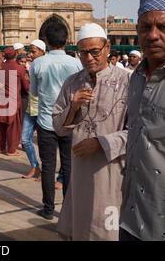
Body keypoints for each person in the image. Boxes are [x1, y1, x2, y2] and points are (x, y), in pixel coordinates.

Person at [120, 0, 165, 241]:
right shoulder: (137, 78)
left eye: (163, 27)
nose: (153, 35)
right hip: (132, 216)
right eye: (145, 27)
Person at [53, 23, 129, 240]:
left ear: (107, 48)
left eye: (94, 51)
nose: (89, 58)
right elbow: (58, 128)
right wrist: (73, 106)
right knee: (81, 226)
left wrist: (101, 143)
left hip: (111, 171)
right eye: (83, 52)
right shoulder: (72, 83)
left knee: (106, 229)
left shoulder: (127, 82)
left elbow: (138, 131)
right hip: (80, 173)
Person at [30, 22, 83, 221]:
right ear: (66, 40)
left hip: (46, 121)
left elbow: (35, 92)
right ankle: (68, 209)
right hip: (69, 121)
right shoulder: (75, 63)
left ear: (47, 41)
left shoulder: (38, 63)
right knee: (68, 165)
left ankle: (48, 209)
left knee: (48, 166)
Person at [0, 47, 29, 156]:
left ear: (4, 56)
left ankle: (1, 148)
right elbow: (26, 87)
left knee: (1, 125)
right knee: (12, 126)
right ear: (15, 55)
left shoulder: (0, 68)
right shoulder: (20, 69)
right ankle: (11, 150)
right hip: (13, 100)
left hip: (1, 98)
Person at [21, 39, 45, 179]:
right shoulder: (31, 65)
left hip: (43, 109)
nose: (31, 54)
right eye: (30, 51)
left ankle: (46, 169)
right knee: (25, 139)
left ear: (42, 51)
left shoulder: (46, 65)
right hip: (31, 108)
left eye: (34, 51)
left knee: (43, 143)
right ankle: (35, 166)